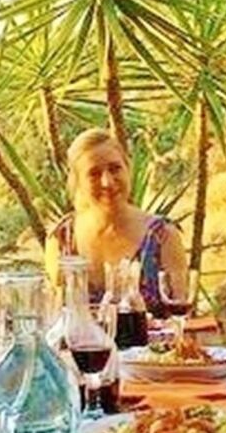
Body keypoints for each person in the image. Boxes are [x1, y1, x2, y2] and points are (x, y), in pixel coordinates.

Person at [44, 129, 188, 314]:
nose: (107, 182)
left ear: (128, 169)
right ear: (78, 182)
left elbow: (180, 317)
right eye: (94, 173)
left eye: (114, 168)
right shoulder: (62, 239)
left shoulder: (163, 236)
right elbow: (53, 314)